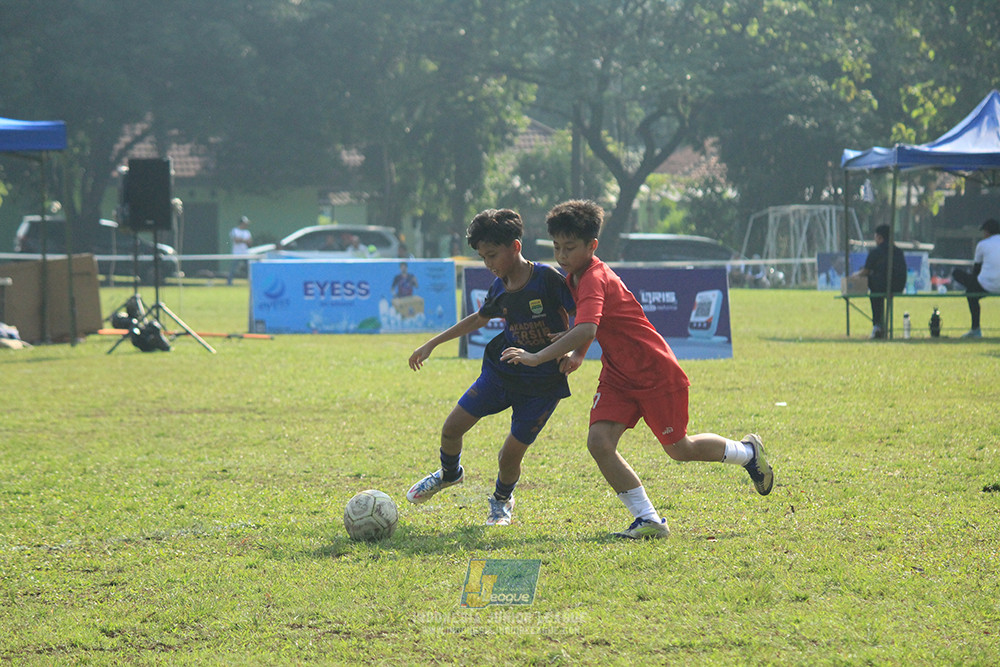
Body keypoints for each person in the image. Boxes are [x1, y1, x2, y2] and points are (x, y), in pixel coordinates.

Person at [499, 200, 772, 540]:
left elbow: (587, 328)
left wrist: (537, 356)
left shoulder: (595, 277)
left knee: (680, 449)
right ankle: (648, 519)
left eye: (570, 247)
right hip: (618, 374)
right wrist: (578, 354)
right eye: (556, 247)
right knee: (599, 442)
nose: (562, 255)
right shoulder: (574, 277)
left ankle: (747, 453)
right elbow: (590, 326)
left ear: (592, 245)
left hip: (654, 371)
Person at [406, 208, 576, 526]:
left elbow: (584, 315)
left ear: (515, 246)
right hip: (502, 373)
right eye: (483, 257)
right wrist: (432, 343)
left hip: (542, 383)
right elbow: (479, 319)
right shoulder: (499, 287)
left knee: (509, 456)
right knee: (451, 429)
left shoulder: (547, 279)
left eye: (492, 255)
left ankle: (501, 501)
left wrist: (573, 346)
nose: (488, 264)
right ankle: (449, 474)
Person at [850, 224, 906, 339]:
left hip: (882, 286)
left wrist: (855, 275)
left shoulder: (876, 251)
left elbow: (866, 271)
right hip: (899, 286)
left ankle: (877, 325)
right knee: (877, 283)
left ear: (880, 237)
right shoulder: (898, 251)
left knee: (874, 290)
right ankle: (879, 325)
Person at [952, 218, 1000, 338]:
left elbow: (976, 270)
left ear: (987, 232)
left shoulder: (982, 245)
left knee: (967, 289)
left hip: (986, 284)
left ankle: (975, 329)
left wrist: (972, 284)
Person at [227, 216, 253, 285]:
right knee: (233, 268)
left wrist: (242, 240)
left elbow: (250, 242)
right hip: (237, 253)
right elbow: (236, 240)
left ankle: (251, 282)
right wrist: (245, 240)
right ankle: (229, 282)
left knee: (248, 268)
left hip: (245, 253)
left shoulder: (247, 232)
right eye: (245, 223)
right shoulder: (235, 230)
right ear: (242, 223)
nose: (246, 225)